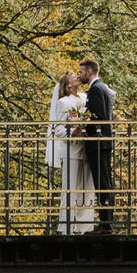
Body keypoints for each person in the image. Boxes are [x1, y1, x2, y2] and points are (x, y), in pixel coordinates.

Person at [45, 70, 96, 234]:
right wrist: (71, 133)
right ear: (68, 84)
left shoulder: (84, 98)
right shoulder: (63, 102)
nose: (77, 77)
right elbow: (57, 128)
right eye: (73, 76)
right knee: (70, 187)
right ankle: (66, 226)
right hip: (71, 149)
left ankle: (84, 227)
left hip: (86, 148)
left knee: (87, 189)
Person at [78, 57, 116, 233]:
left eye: (81, 72)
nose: (80, 75)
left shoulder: (95, 90)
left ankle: (105, 223)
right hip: (105, 142)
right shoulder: (104, 88)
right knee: (105, 181)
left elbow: (99, 116)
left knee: (102, 182)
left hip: (98, 142)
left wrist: (83, 122)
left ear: (89, 72)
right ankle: (106, 221)